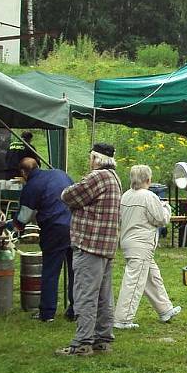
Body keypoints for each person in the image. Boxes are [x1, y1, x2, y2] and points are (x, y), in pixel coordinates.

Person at [57, 143, 122, 356]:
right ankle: (102, 340)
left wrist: (79, 203)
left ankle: (82, 343)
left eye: (90, 158)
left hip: (89, 244)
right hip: (105, 245)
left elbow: (68, 196)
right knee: (103, 297)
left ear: (96, 159)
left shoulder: (97, 177)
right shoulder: (114, 178)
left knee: (85, 294)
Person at [6, 156, 75, 322]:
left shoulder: (32, 186)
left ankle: (47, 313)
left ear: (23, 172)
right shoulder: (60, 174)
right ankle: (75, 310)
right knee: (75, 271)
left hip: (53, 229)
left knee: (51, 271)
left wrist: (10, 225)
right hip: (75, 225)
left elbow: (24, 216)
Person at [114, 165, 181, 329]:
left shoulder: (126, 196)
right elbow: (160, 219)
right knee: (134, 281)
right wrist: (166, 208)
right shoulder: (148, 196)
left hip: (129, 241)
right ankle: (122, 319)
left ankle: (165, 309)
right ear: (148, 180)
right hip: (142, 244)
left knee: (152, 277)